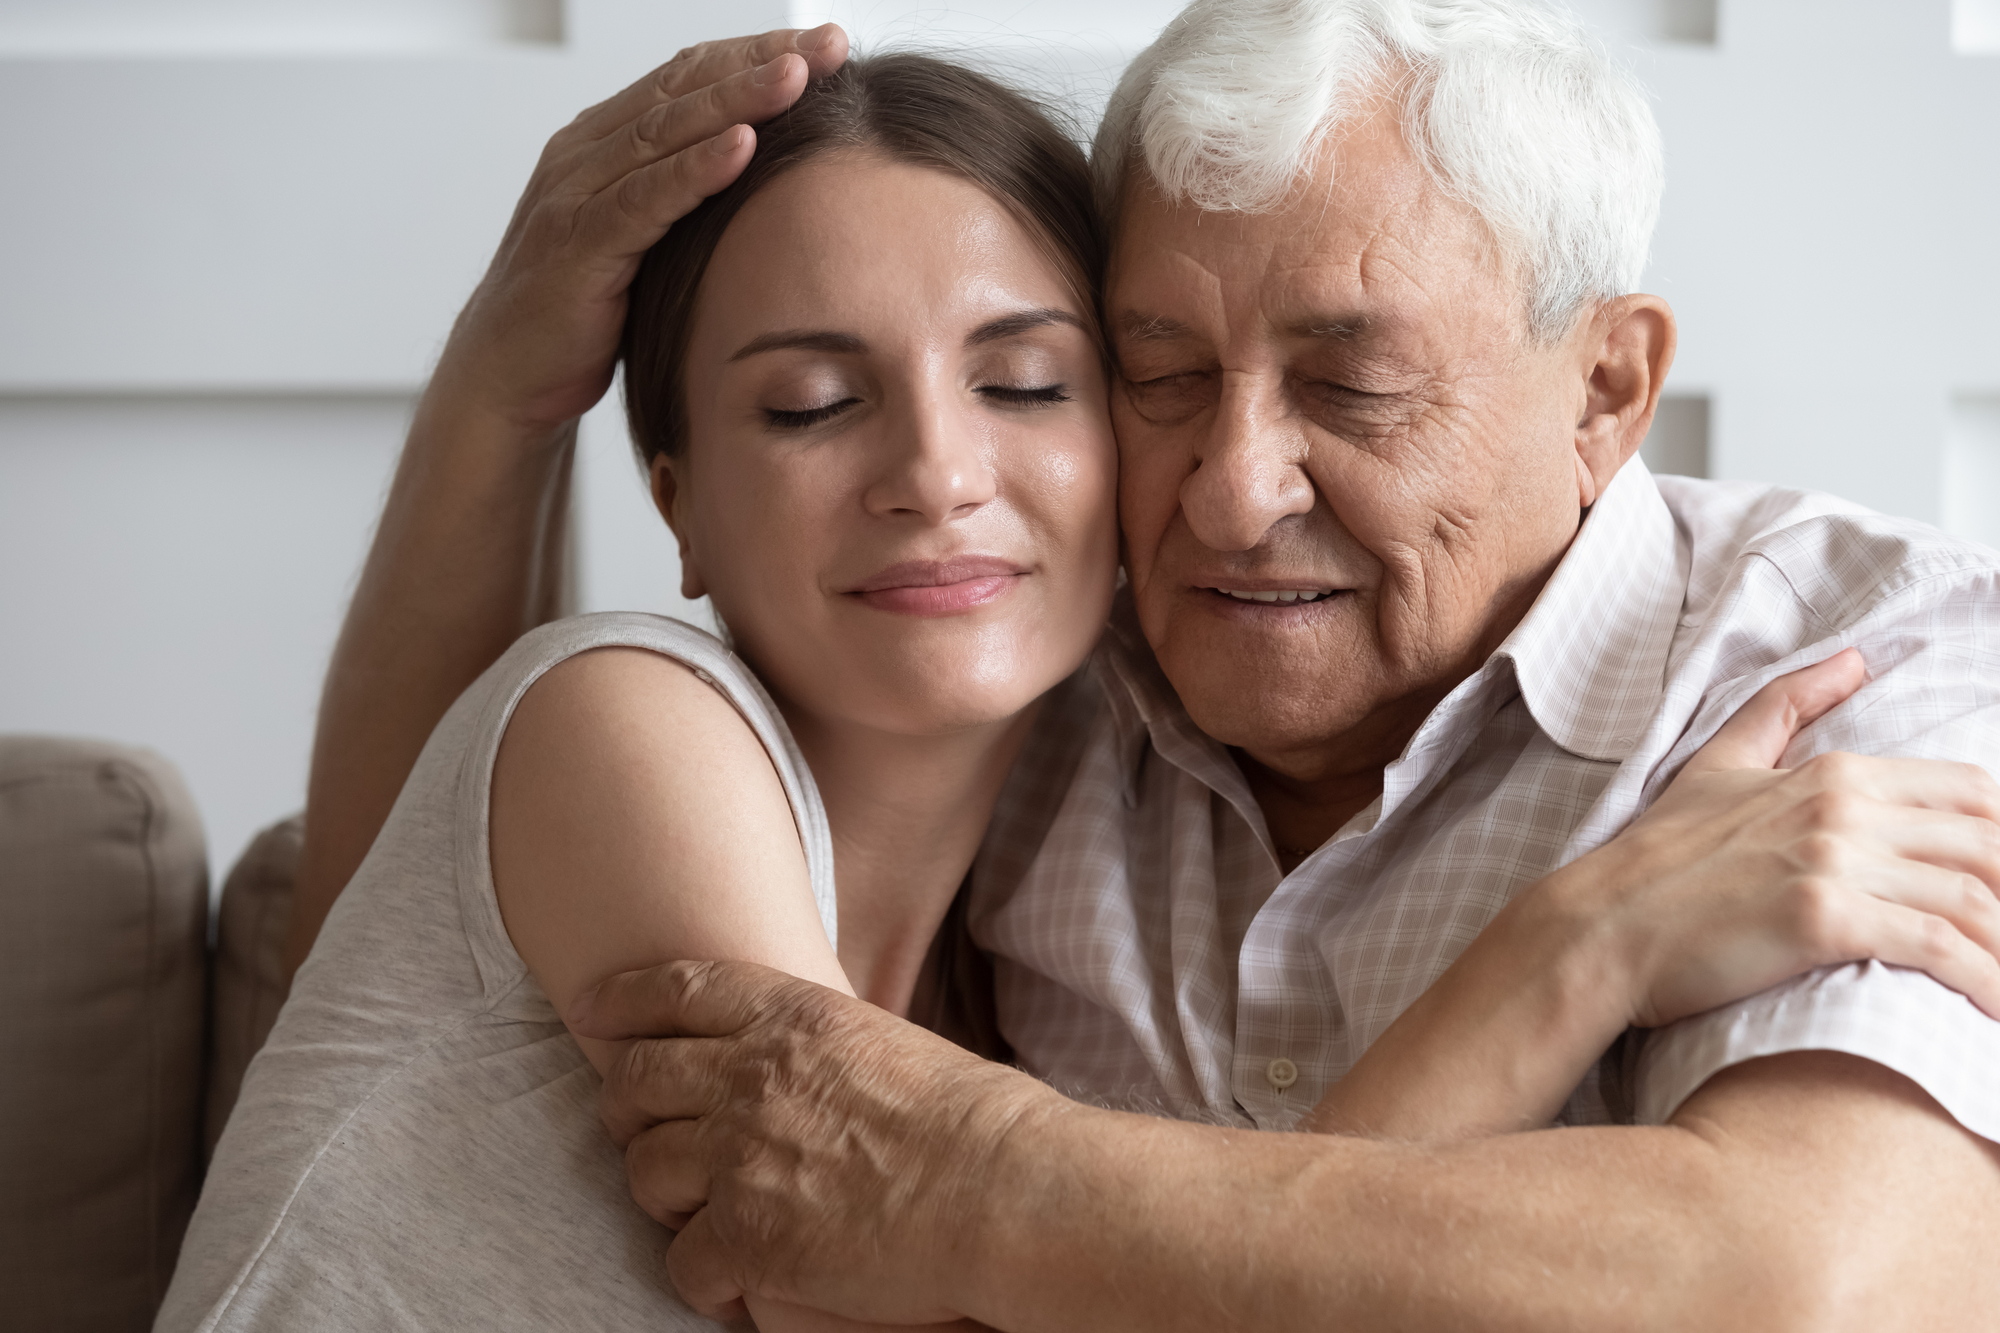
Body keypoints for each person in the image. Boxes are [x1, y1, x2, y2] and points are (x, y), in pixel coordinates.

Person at [201, 15, 1997, 1333]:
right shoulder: (812, 692)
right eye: (1155, 372)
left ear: (1607, 388)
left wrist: (961, 1174)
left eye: (1353, 383)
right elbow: (378, 924)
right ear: (670, 490)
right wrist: (1577, 950)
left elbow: (1814, 1287)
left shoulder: (1856, 672)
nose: (1231, 487)